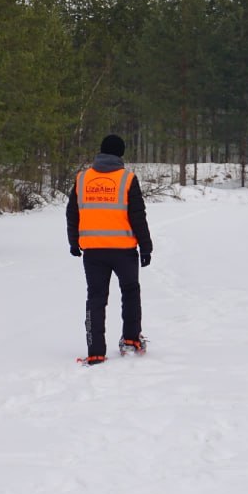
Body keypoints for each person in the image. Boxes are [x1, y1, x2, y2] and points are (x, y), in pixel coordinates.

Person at [67, 134, 153, 365]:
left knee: (96, 298)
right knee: (130, 292)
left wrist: (73, 242)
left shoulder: (83, 178)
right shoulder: (127, 179)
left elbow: (72, 213)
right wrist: (146, 247)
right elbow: (138, 216)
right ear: (121, 154)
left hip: (93, 251)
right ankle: (131, 340)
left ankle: (96, 352)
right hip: (123, 250)